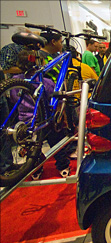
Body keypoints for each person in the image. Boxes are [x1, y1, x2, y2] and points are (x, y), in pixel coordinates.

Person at [9, 49, 71, 178]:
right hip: (44, 119)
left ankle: (35, 170)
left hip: (25, 121)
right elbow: (55, 100)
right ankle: (63, 166)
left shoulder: (14, 81)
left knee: (31, 147)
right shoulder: (45, 82)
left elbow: (14, 99)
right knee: (56, 142)